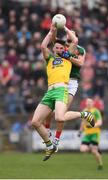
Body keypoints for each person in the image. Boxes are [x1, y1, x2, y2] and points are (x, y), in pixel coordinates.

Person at [31, 24, 94, 161]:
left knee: (60, 117)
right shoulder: (51, 58)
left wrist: (65, 28)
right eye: (57, 47)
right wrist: (51, 30)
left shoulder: (70, 54)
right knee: (36, 122)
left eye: (62, 47)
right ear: (54, 48)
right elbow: (44, 46)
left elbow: (76, 46)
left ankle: (82, 115)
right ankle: (49, 143)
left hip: (64, 87)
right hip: (50, 90)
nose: (59, 48)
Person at [44, 30, 86, 151]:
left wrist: (67, 56)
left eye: (70, 35)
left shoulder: (80, 49)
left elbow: (80, 63)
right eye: (67, 35)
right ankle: (47, 129)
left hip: (71, 82)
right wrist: (54, 27)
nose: (67, 36)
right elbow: (52, 39)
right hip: (59, 80)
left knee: (61, 115)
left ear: (75, 37)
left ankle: (57, 139)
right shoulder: (62, 46)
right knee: (50, 110)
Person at [79, 98, 103, 170]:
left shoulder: (96, 111)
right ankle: (95, 149)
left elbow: (100, 122)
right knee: (82, 149)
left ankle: (100, 164)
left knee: (94, 151)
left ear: (93, 103)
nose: (89, 103)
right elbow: (83, 122)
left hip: (95, 133)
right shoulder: (84, 111)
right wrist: (80, 131)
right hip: (87, 134)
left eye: (90, 102)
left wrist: (93, 125)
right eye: (87, 102)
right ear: (85, 103)